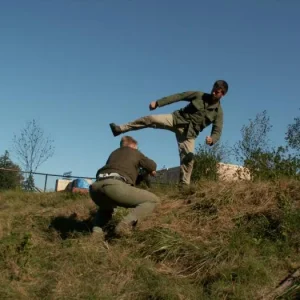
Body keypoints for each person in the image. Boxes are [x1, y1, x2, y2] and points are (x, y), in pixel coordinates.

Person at [109, 80, 229, 187]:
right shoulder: (199, 95)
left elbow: (217, 130)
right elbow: (179, 96)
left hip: (189, 134)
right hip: (176, 119)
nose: (213, 93)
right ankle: (120, 129)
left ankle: (184, 188)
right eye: (213, 90)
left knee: (189, 159)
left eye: (217, 92)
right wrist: (158, 103)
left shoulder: (218, 113)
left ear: (222, 94)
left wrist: (212, 139)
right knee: (150, 119)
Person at [89, 136, 159, 237]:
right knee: (153, 200)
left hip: (95, 188)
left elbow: (124, 174)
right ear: (133, 146)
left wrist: (140, 175)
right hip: (114, 186)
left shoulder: (114, 153)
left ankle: (96, 234)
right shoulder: (135, 152)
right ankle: (124, 226)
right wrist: (149, 170)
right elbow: (152, 165)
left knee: (106, 207)